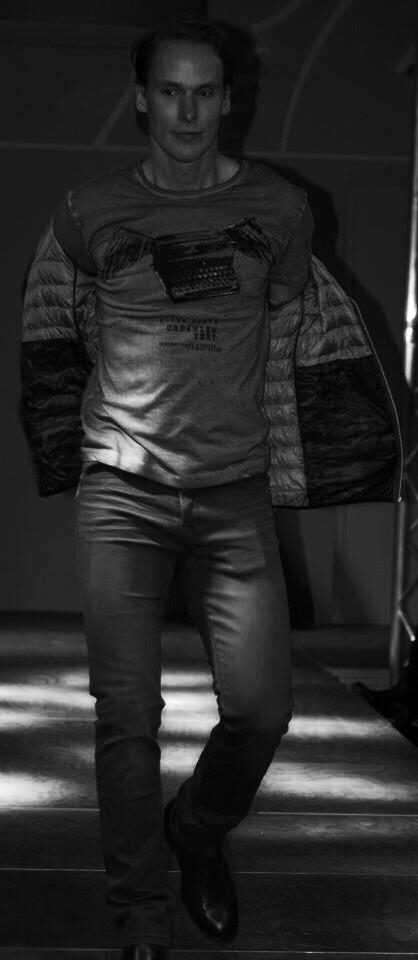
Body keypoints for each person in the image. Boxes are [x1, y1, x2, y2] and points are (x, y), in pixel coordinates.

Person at [19, 19, 402, 960]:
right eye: (170, 91)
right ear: (141, 100)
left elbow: (292, 337)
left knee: (263, 710)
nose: (187, 111)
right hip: (122, 492)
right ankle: (141, 913)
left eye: (204, 92)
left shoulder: (281, 208)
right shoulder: (89, 210)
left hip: (234, 495)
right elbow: (51, 328)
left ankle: (194, 831)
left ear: (228, 101)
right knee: (125, 719)